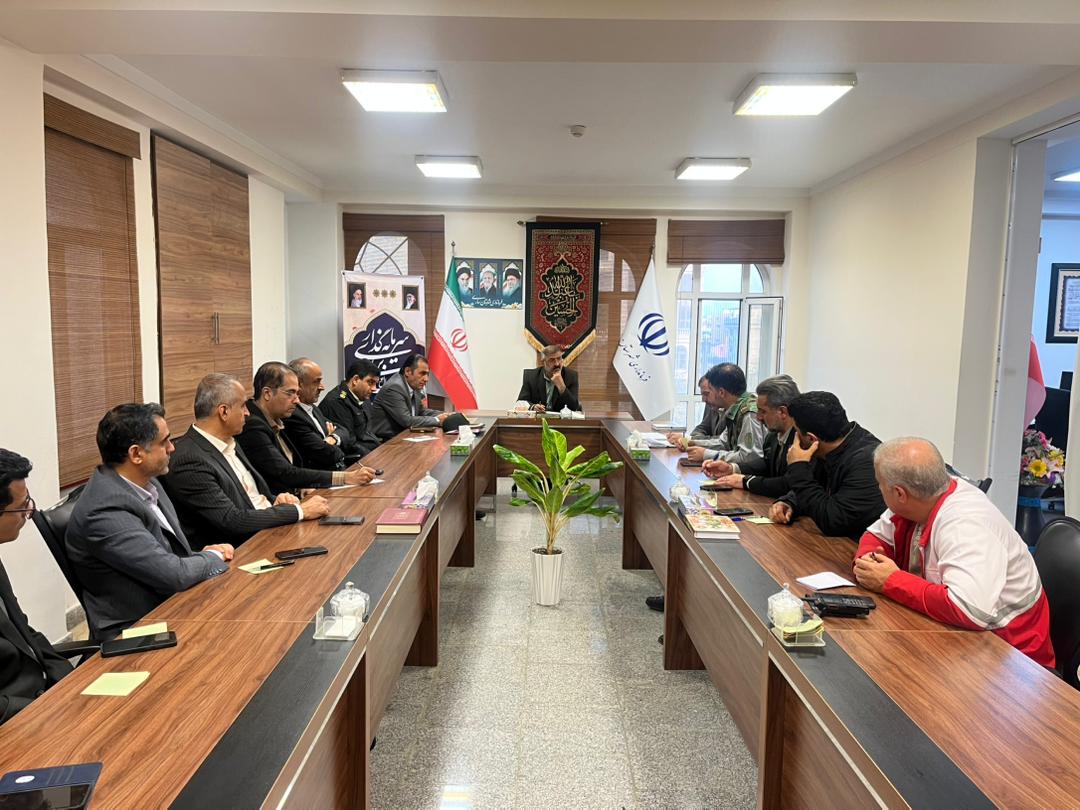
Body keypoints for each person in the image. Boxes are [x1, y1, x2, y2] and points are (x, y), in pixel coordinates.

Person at [853, 437, 1054, 667]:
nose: (879, 489)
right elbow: (877, 535)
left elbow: (969, 609)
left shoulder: (966, 525)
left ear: (899, 493)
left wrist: (890, 581)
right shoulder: (923, 496)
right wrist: (868, 562)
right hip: (956, 638)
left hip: (1011, 660)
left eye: (879, 484)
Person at [67, 404, 233, 639]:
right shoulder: (104, 511)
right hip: (138, 630)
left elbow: (166, 556)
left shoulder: (148, 482)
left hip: (173, 605)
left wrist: (200, 556)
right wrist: (211, 556)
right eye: (164, 442)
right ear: (136, 454)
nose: (172, 447)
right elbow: (173, 574)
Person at [161, 374, 331, 550]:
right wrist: (300, 511)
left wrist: (276, 501)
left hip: (269, 531)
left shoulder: (231, 440)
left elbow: (251, 497)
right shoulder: (190, 460)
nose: (248, 413)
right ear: (224, 411)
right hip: (245, 548)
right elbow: (232, 520)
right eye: (242, 406)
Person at [0, 449, 73, 723]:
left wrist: (71, 681)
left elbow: (23, 630)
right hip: (17, 719)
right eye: (21, 506)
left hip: (44, 698)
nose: (30, 512)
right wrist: (40, 712)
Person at [237, 362, 376, 494]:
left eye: (297, 393)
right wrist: (345, 477)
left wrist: (301, 487)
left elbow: (342, 430)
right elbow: (285, 472)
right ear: (267, 393)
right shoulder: (253, 426)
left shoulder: (278, 417)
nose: (297, 400)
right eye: (290, 393)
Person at [768, 391, 885, 539]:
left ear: (811, 438)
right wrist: (789, 502)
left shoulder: (867, 462)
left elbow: (833, 521)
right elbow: (815, 487)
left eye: (796, 432)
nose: (795, 440)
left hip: (857, 547)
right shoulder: (828, 446)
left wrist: (798, 466)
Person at [705, 374, 801, 497]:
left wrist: (746, 481)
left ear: (782, 412)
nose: (758, 417)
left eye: (763, 411)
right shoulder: (773, 436)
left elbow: (788, 483)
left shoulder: (803, 440)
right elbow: (766, 464)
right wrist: (732, 468)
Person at [669, 363, 766, 470]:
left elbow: (750, 458)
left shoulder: (749, 413)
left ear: (721, 392)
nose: (704, 399)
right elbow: (722, 442)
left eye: (711, 389)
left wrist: (706, 454)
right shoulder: (735, 409)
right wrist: (692, 443)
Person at [283, 358, 353, 471]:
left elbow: (343, 430)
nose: (322, 387)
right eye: (316, 382)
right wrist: (332, 446)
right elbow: (326, 454)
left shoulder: (313, 408)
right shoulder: (293, 416)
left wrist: (332, 438)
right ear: (299, 384)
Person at [369, 354, 451, 440]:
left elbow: (421, 412)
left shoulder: (413, 385)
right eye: (422, 373)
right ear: (408, 371)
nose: (426, 379)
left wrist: (446, 415)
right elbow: (407, 421)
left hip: (403, 437)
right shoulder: (394, 387)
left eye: (427, 374)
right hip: (385, 441)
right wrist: (437, 420)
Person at [320, 359, 383, 458]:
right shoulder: (337, 402)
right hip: (356, 459)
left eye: (376, 383)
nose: (374, 388)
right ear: (355, 380)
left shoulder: (362, 396)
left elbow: (367, 432)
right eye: (370, 382)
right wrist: (376, 456)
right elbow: (349, 443)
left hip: (370, 450)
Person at [516, 345, 581, 413]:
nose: (557, 364)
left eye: (559, 358)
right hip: (538, 418)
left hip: (560, 419)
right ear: (543, 362)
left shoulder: (571, 376)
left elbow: (574, 407)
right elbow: (520, 402)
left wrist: (561, 386)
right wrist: (533, 407)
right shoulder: (531, 376)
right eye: (552, 360)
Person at [667, 377, 720, 446]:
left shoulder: (730, 410)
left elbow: (721, 442)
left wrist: (687, 439)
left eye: (706, 394)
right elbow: (701, 428)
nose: (703, 399)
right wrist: (693, 439)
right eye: (702, 394)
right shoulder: (711, 405)